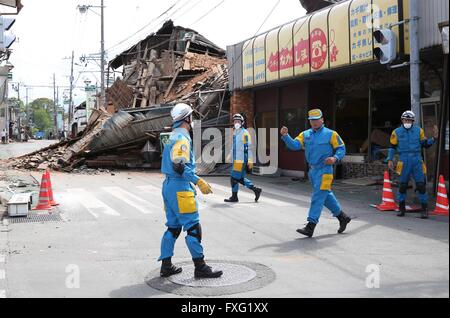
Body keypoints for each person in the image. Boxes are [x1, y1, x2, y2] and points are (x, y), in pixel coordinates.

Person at [158, 103, 223, 279]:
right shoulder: (182, 138)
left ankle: (166, 265)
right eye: (191, 117)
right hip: (180, 187)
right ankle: (200, 267)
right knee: (193, 228)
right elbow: (179, 165)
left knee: (173, 227)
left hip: (168, 186)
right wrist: (198, 181)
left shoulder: (173, 136)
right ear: (187, 119)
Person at [280, 109, 351, 238]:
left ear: (322, 120)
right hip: (312, 171)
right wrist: (286, 136)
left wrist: (335, 158)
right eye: (312, 120)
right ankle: (342, 217)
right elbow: (295, 145)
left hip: (325, 170)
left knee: (317, 197)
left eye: (317, 119)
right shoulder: (305, 134)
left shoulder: (331, 134)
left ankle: (310, 226)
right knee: (325, 196)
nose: (314, 122)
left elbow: (341, 148)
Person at [387, 111, 439, 219]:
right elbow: (392, 147)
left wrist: (434, 138)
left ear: (413, 121)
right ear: (402, 120)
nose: (407, 122)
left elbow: (425, 144)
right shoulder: (396, 132)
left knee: (421, 185)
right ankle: (401, 208)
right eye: (405, 120)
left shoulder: (419, 131)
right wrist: (390, 159)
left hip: (417, 160)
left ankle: (424, 210)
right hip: (403, 160)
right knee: (402, 186)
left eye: (409, 120)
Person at [225, 114, 262, 203]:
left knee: (234, 178)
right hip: (236, 159)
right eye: (235, 121)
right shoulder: (235, 132)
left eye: (238, 121)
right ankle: (255, 190)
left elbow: (248, 147)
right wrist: (230, 154)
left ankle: (235, 197)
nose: (236, 123)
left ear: (242, 123)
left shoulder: (245, 133)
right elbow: (234, 146)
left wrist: (250, 159)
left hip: (241, 160)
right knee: (238, 178)